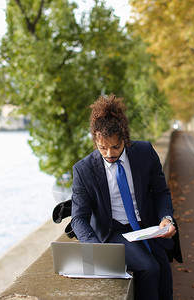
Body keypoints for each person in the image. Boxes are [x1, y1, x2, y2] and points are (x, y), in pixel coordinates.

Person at [71, 94, 178, 300]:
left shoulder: (144, 152)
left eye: (116, 147)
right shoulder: (83, 170)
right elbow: (78, 218)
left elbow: (161, 192)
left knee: (164, 275)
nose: (109, 153)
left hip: (147, 227)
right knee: (149, 268)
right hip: (113, 230)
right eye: (103, 147)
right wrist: (96, 249)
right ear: (95, 141)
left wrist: (167, 218)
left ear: (125, 139)